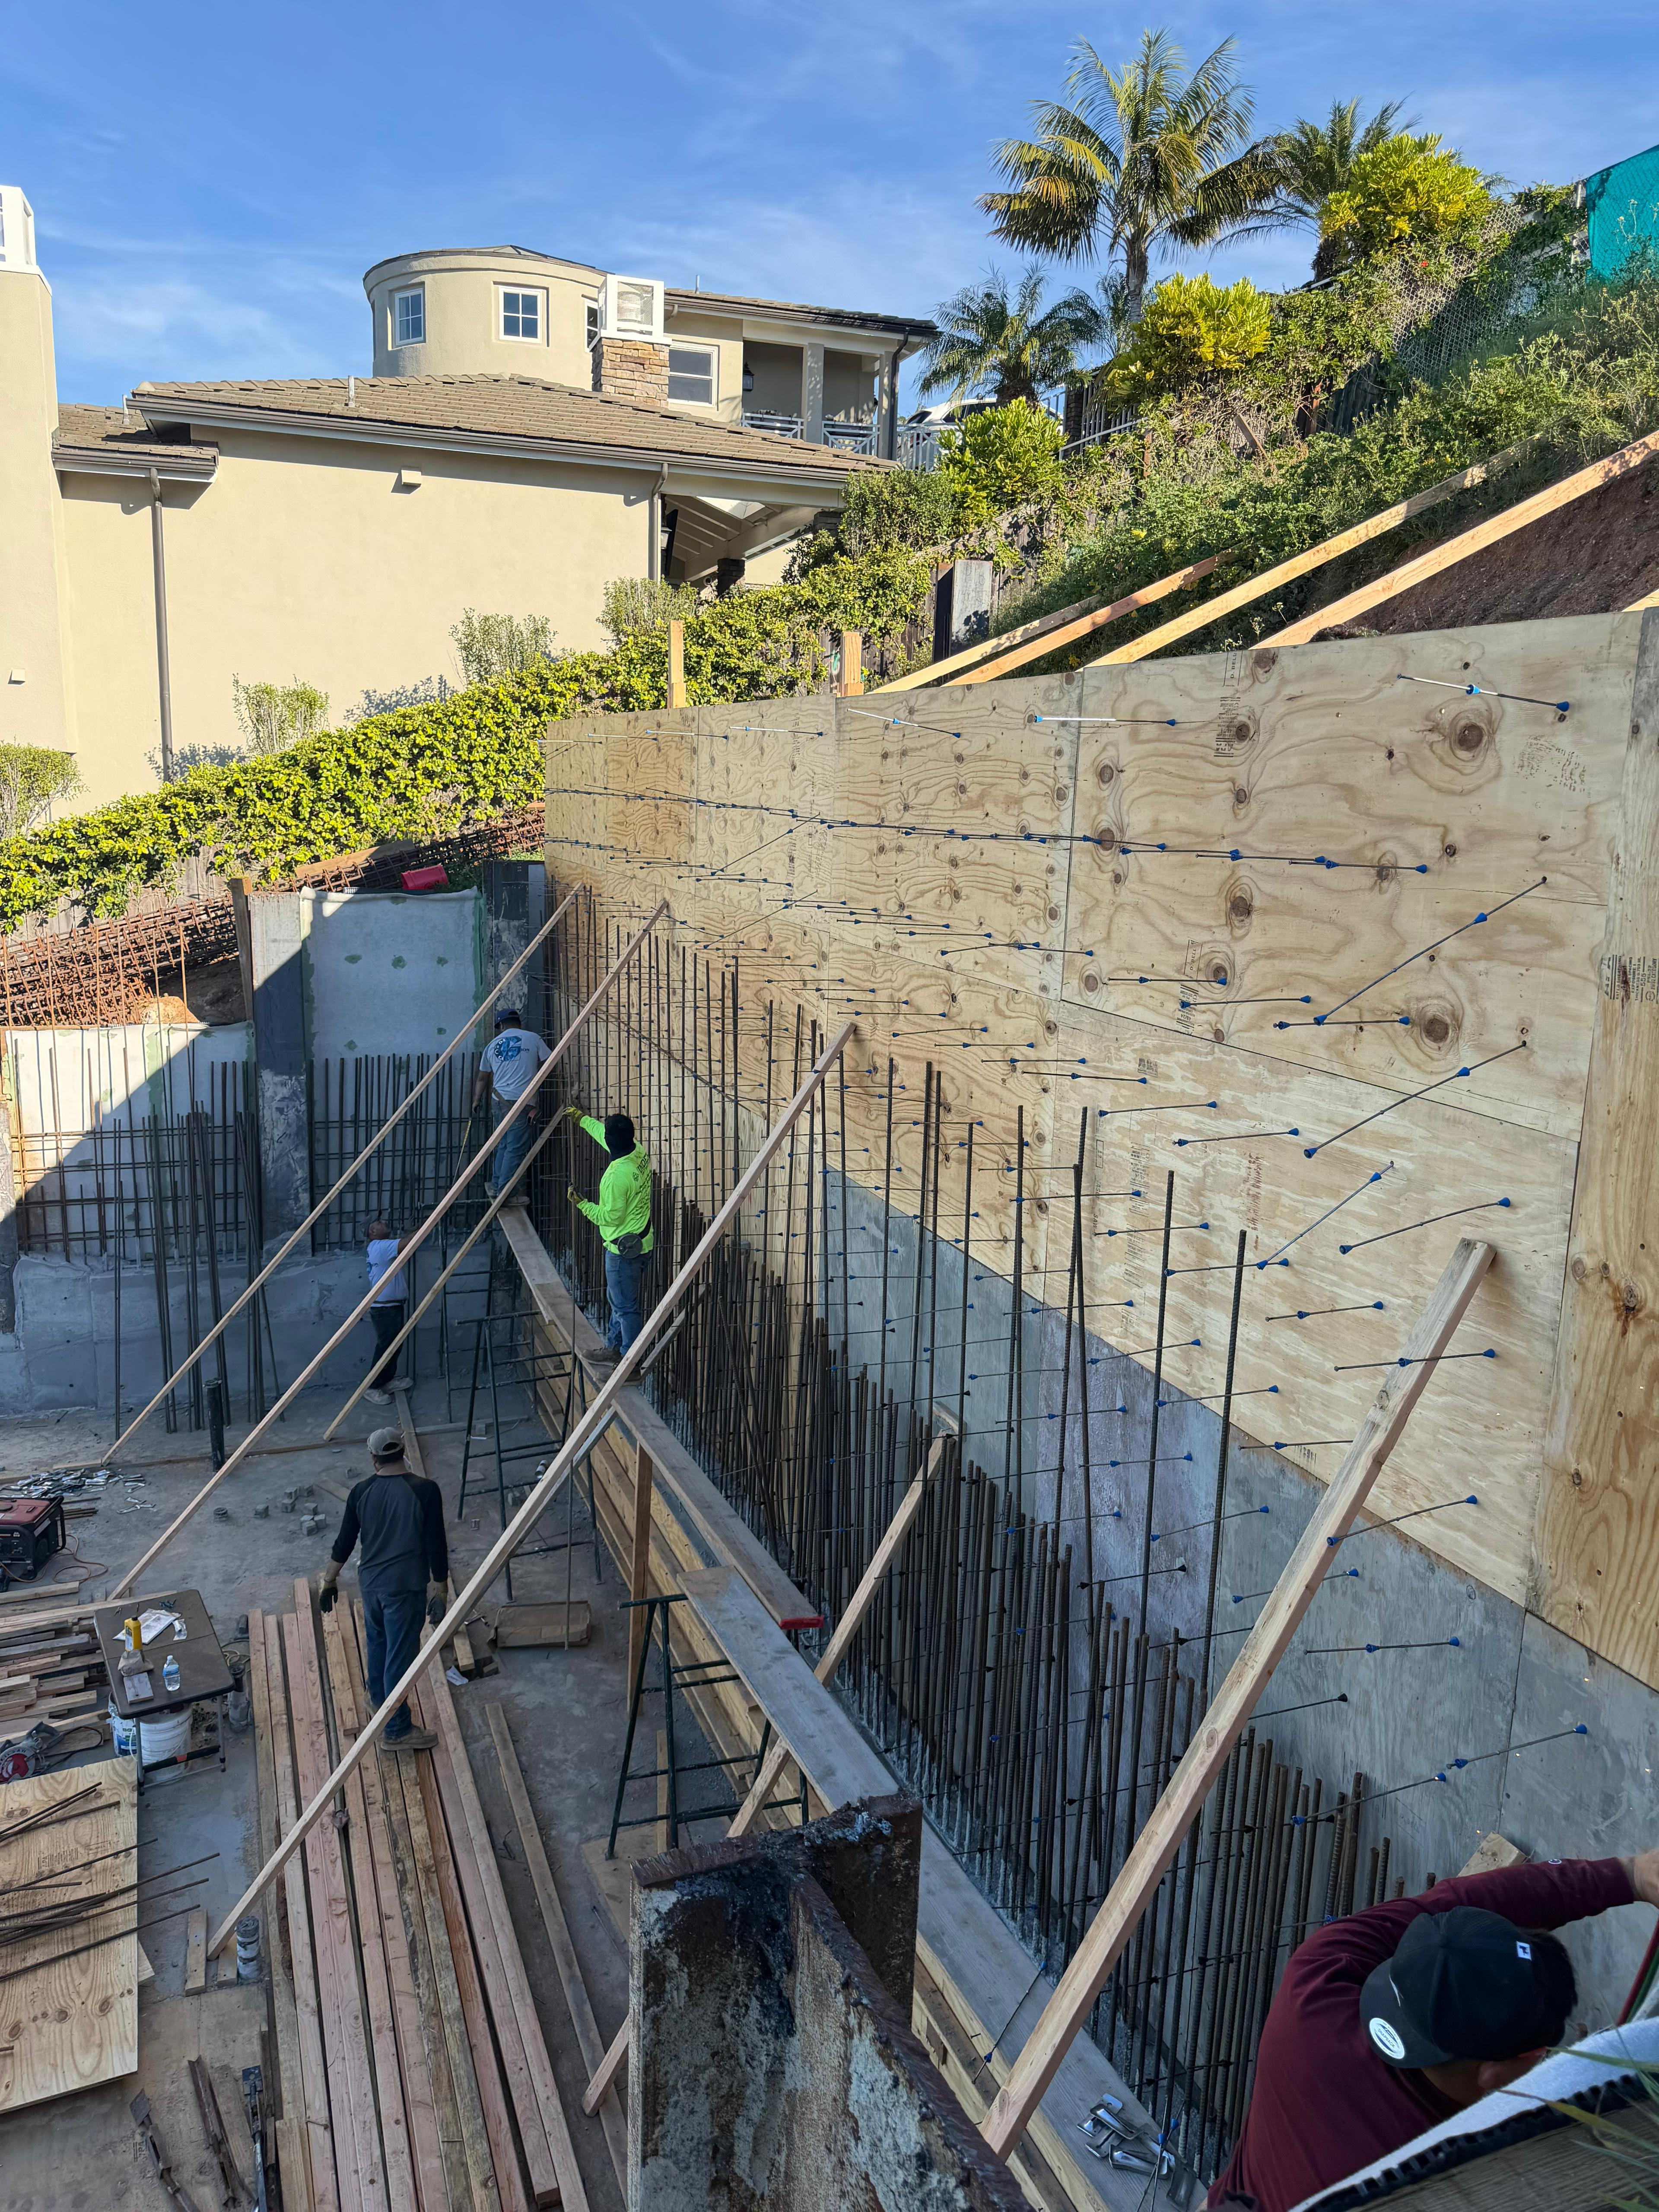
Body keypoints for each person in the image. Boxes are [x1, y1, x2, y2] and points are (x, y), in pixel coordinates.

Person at [1210, 1844, 1659, 2211]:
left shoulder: (1315, 1982)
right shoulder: (1465, 2177)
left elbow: (1465, 1904)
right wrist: (1632, 1874)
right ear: (1497, 2071)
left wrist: (1631, 1875)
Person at [318, 1426, 448, 1754]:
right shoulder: (426, 1491)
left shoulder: (361, 1491)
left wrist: (329, 1581)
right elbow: (436, 1544)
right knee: (400, 1661)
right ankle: (397, 1729)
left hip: (372, 1586)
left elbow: (344, 1542)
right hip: (405, 1588)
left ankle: (378, 1701)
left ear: (374, 1458)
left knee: (378, 1644)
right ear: (402, 1452)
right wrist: (442, 1588)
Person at [565, 1104, 653, 1353]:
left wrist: (583, 1205)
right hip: (641, 1241)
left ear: (611, 1141)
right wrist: (582, 1120)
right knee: (618, 1302)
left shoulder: (617, 1177)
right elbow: (605, 1135)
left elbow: (611, 1217)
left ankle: (629, 1362)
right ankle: (614, 1348)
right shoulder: (636, 1151)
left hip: (623, 1251)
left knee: (626, 1309)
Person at [470, 1007, 551, 1199]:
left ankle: (498, 1184)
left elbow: (482, 1078)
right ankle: (504, 1192)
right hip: (521, 1103)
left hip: (498, 1102)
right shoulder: (533, 1039)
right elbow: (550, 1063)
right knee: (515, 1149)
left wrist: (476, 1100)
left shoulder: (492, 1046)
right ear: (519, 1023)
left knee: (504, 1145)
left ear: (501, 1026)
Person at [363, 1217, 407, 1407]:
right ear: (372, 1232)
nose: (384, 1221)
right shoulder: (380, 1246)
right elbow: (408, 1243)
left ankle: (386, 1382)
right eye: (378, 1222)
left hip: (391, 1306)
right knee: (385, 1348)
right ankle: (372, 1387)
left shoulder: (379, 1247)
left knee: (393, 1347)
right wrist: (426, 1225)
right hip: (385, 1309)